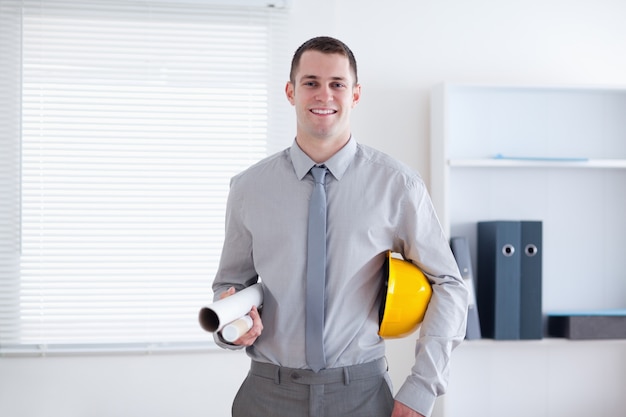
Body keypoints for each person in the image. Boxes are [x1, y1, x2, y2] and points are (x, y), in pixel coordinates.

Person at [212, 36, 468, 417]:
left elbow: (449, 285)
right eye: (311, 82)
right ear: (290, 91)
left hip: (362, 395)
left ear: (356, 94)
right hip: (266, 394)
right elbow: (229, 283)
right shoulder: (249, 188)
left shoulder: (397, 185)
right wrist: (231, 329)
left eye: (337, 84)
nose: (324, 95)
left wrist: (422, 387)